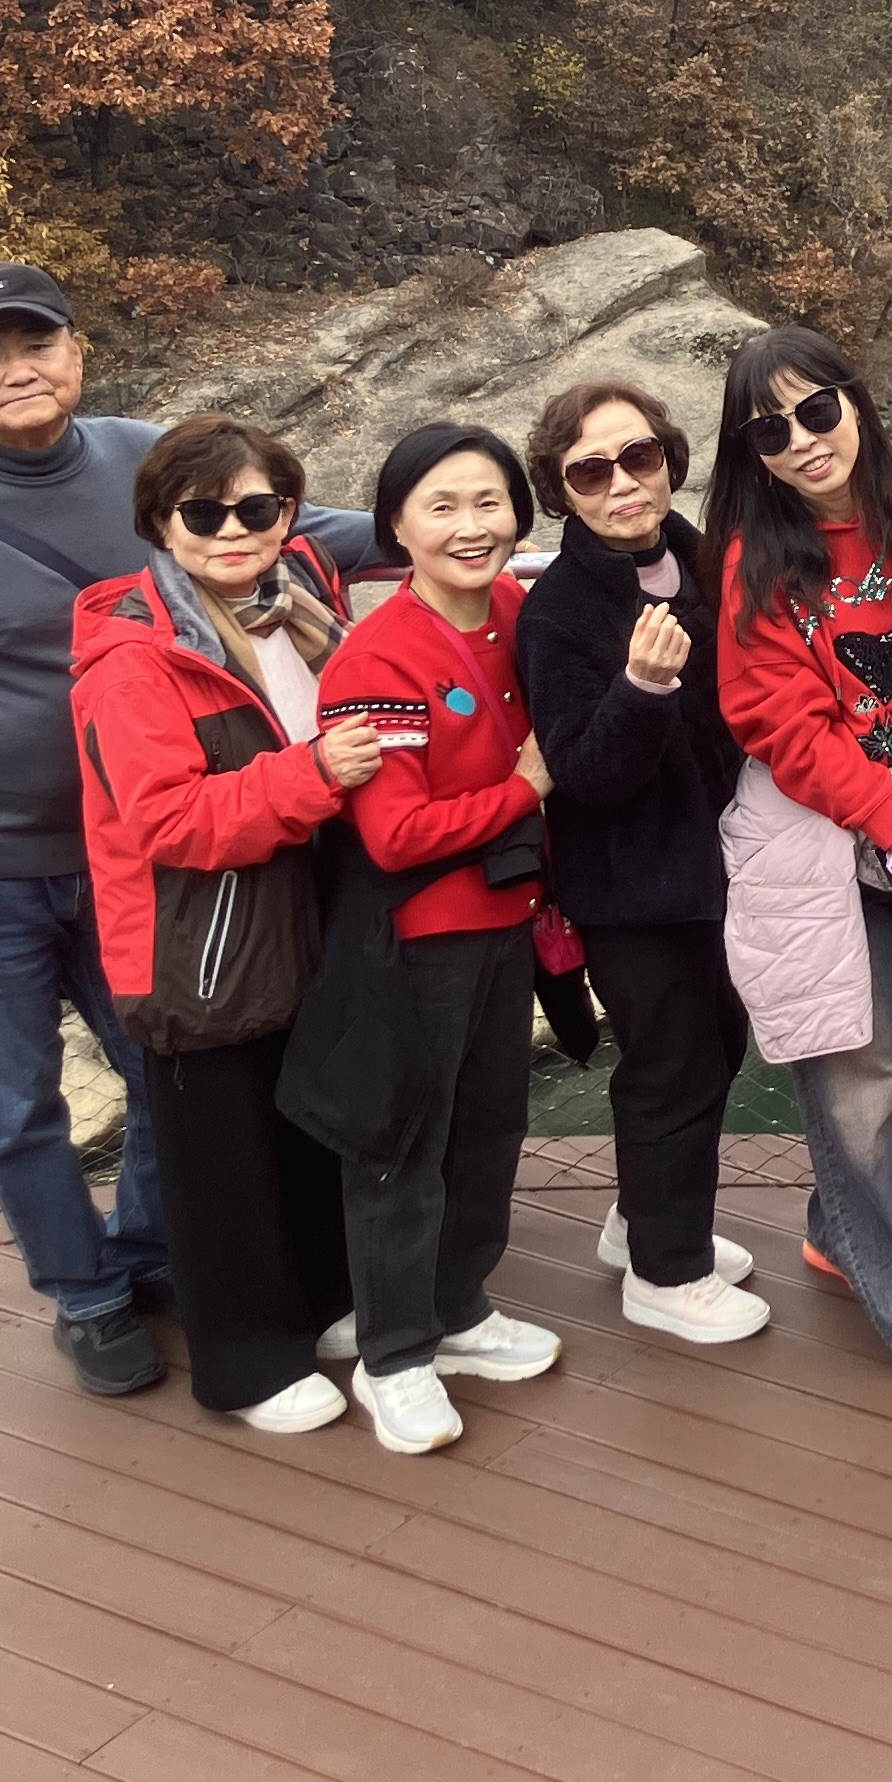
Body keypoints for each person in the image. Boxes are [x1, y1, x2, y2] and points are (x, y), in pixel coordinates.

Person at [0, 259, 371, 1396]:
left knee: (160, 1068)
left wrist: (448, 518)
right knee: (17, 1099)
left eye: (37, 345)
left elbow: (293, 522)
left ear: (77, 353)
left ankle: (146, 1250)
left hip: (131, 858)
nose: (18, 370)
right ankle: (83, 1294)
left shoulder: (148, 459)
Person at [711, 327, 892, 1400]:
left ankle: (842, 1227)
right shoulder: (755, 561)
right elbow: (780, 723)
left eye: (817, 410)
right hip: (821, 831)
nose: (802, 440)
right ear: (751, 454)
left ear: (855, 401)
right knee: (867, 1067)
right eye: (770, 431)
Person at [67, 418, 377, 1433]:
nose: (234, 530)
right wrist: (315, 773)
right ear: (161, 523)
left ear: (289, 514)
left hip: (302, 907)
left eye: (257, 507)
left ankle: (322, 1300)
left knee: (306, 1122)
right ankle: (244, 1362)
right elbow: (167, 822)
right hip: (195, 935)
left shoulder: (302, 594)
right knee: (221, 1156)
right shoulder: (133, 660)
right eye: (204, 512)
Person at [306, 422, 564, 1456]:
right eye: (442, 506)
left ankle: (457, 1305)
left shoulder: (513, 611)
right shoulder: (377, 658)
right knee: (403, 1148)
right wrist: (524, 791)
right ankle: (393, 1356)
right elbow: (397, 833)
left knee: (490, 1128)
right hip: (418, 940)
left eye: (489, 502)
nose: (471, 526)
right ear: (396, 528)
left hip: (506, 924)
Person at [518, 378, 769, 1351]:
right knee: (670, 1064)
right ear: (561, 490)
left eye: (639, 457)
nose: (622, 483)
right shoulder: (560, 611)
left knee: (718, 1041)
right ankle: (667, 1274)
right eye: (591, 470)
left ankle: (642, 1222)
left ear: (669, 459)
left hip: (722, 864)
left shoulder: (702, 559)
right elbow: (583, 775)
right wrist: (641, 686)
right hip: (632, 883)